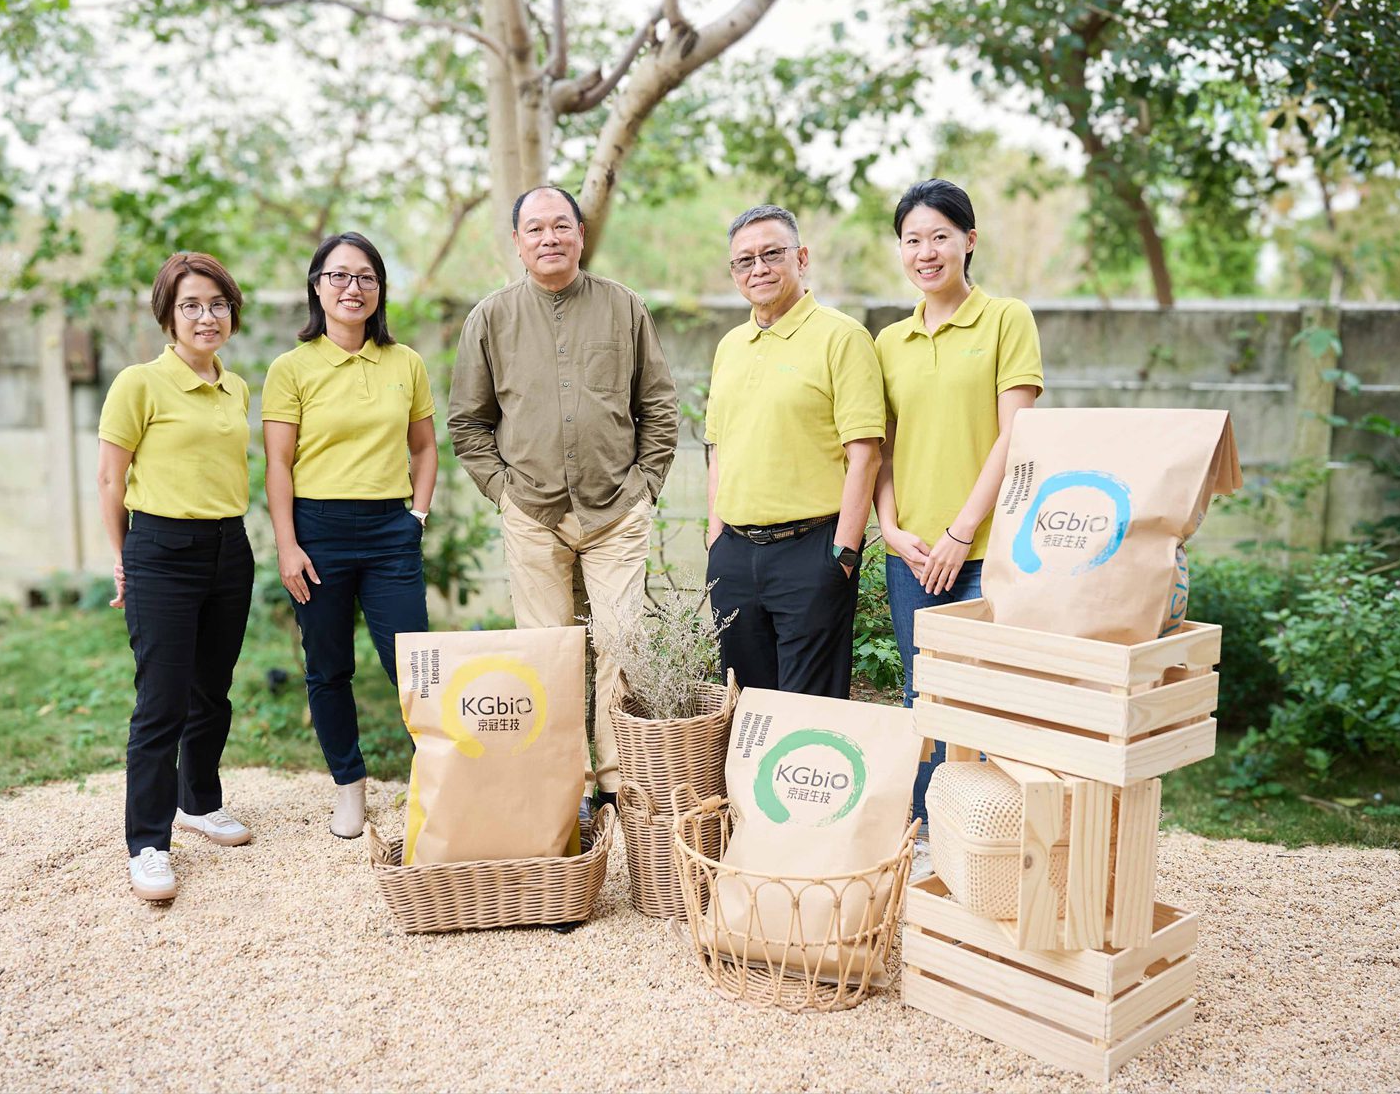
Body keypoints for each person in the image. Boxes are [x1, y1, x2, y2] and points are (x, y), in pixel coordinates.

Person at [447, 185, 680, 812]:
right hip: (533, 512)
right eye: (535, 228)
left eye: (560, 225)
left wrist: (645, 486)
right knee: (547, 655)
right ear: (517, 242)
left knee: (621, 646)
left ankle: (617, 784)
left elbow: (658, 405)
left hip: (616, 509)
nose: (549, 238)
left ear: (580, 233)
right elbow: (468, 423)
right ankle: (565, 785)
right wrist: (504, 493)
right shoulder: (489, 319)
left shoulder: (624, 307)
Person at [873, 178, 1043, 819]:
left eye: (939, 237)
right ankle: (926, 836)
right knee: (925, 697)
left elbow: (1015, 436)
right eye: (912, 239)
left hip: (987, 550)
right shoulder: (888, 342)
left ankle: (990, 836)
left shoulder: (1006, 319)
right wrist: (890, 530)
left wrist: (962, 531)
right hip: (912, 554)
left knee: (989, 701)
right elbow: (881, 448)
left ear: (968, 241)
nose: (926, 252)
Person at [262, 232, 438, 838]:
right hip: (317, 534)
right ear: (317, 287)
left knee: (414, 664)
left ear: (379, 289)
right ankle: (349, 786)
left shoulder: (405, 362)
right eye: (338, 275)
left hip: (391, 532)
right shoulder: (291, 368)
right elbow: (278, 464)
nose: (352, 288)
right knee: (328, 667)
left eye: (365, 276)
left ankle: (438, 782)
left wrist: (416, 517)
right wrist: (287, 545)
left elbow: (424, 448)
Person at [97, 252, 256, 902]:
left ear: (232, 314)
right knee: (161, 701)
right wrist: (122, 555)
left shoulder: (236, 386)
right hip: (160, 550)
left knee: (211, 691)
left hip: (229, 547)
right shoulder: (138, 384)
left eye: (217, 304)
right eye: (191, 305)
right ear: (168, 315)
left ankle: (200, 802)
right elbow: (110, 479)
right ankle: (148, 843)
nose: (206, 316)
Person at [703, 203, 885, 698]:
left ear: (801, 258)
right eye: (745, 260)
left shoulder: (842, 337)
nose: (758, 268)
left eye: (772, 254)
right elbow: (719, 449)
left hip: (812, 552)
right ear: (734, 273)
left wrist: (844, 554)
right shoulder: (730, 346)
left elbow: (866, 453)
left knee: (809, 714)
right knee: (747, 712)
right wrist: (716, 540)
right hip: (734, 556)